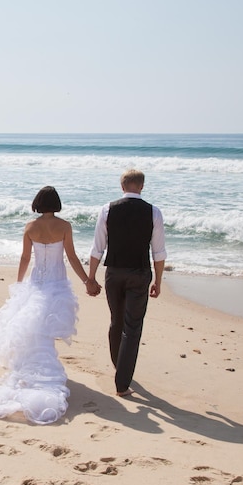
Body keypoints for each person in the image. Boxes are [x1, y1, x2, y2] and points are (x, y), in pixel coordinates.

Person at [0, 186, 101, 424]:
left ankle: (33, 369)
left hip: (36, 283)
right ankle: (45, 373)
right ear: (56, 203)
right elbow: (71, 256)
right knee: (45, 329)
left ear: (37, 203)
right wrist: (87, 280)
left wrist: (19, 284)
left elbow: (25, 258)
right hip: (56, 284)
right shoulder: (64, 226)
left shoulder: (30, 227)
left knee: (34, 328)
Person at [87, 169, 167, 397]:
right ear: (141, 186)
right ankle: (122, 383)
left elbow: (97, 248)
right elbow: (158, 252)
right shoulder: (153, 212)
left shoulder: (107, 210)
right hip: (140, 273)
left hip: (113, 272)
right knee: (132, 327)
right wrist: (158, 281)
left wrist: (91, 277)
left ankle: (118, 366)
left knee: (116, 321)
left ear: (122, 187)